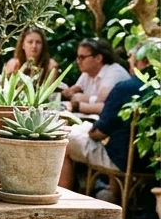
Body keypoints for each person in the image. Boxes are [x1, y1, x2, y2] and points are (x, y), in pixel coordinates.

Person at [60, 42, 150, 194]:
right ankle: (112, 197)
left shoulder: (126, 87)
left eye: (131, 57)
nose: (129, 61)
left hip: (123, 161)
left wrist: (91, 131)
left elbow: (99, 132)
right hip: (150, 163)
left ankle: (61, 208)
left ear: (143, 61)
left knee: (64, 141)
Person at [62, 38, 130, 115]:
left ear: (98, 58)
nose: (78, 61)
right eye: (78, 58)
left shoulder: (114, 72)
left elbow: (103, 103)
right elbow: (72, 91)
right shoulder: (88, 72)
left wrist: (84, 100)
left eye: (82, 58)